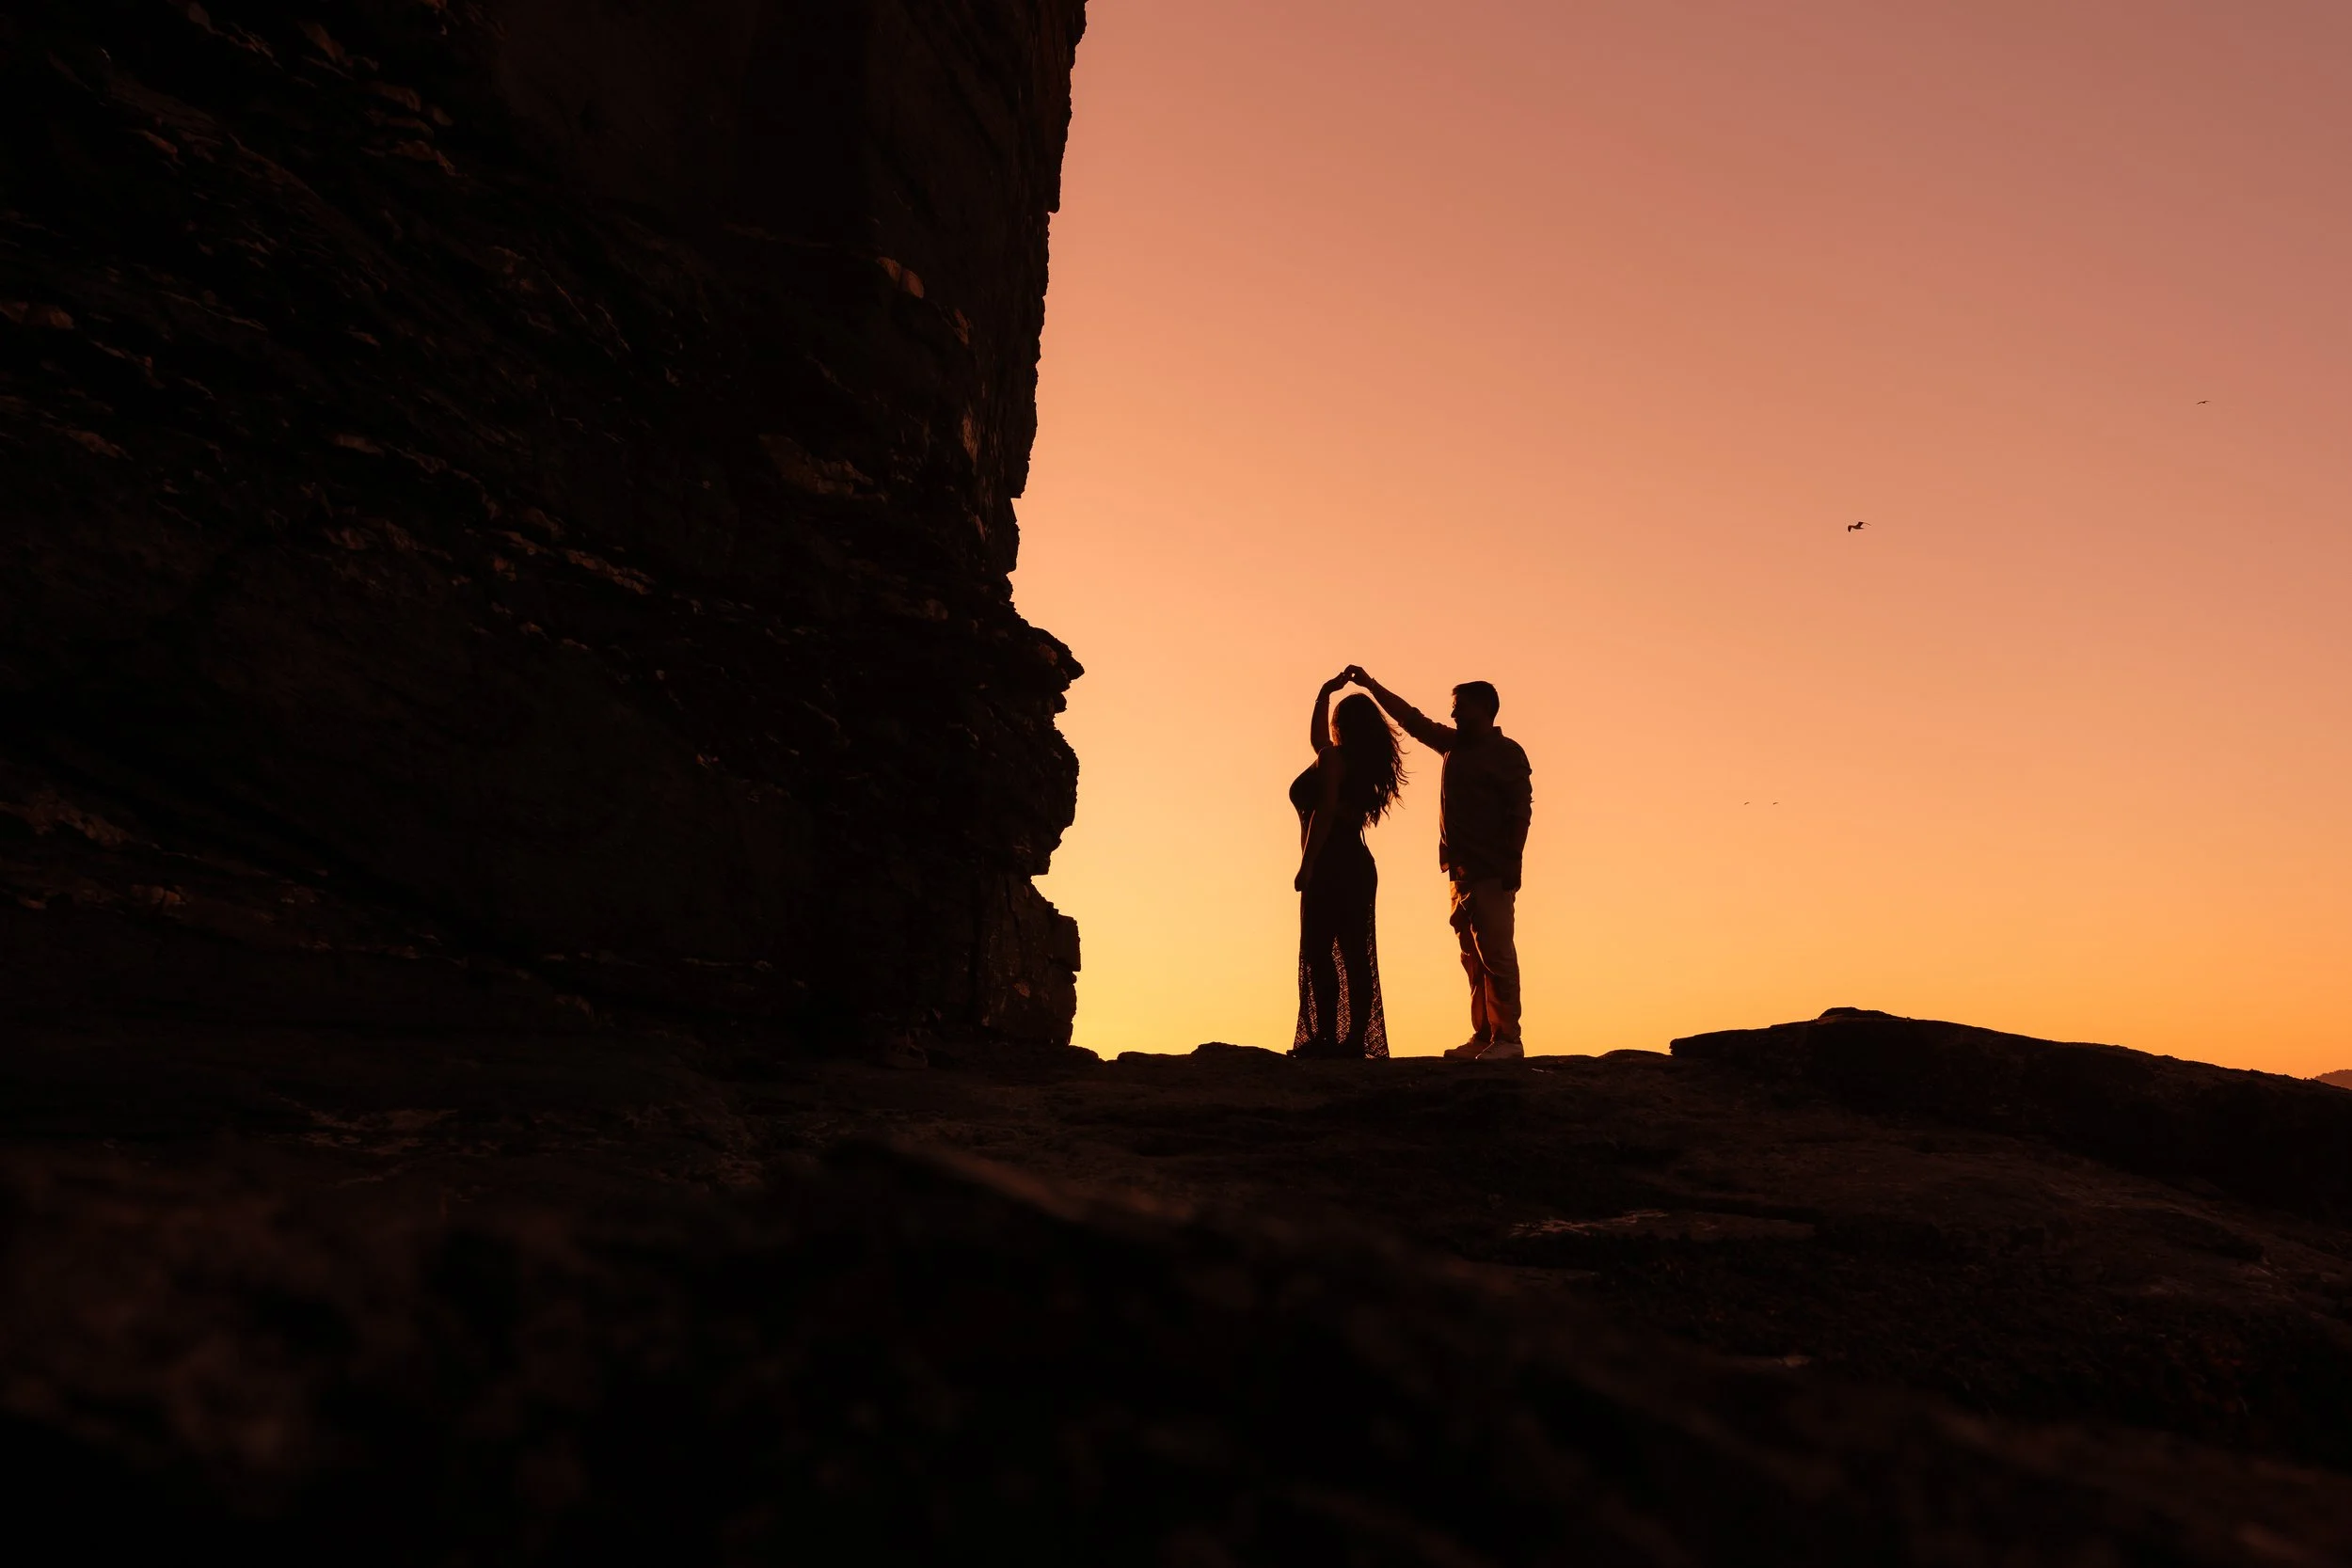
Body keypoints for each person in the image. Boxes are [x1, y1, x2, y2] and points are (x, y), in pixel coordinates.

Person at [1345, 668, 1533, 1060]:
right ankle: (1483, 1035)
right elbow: (1411, 719)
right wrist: (1371, 684)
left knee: (1496, 953)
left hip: (1491, 869)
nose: (1453, 715)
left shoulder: (1507, 753)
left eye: (1459, 707)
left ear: (1483, 708)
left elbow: (1520, 811)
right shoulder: (1452, 745)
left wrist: (1514, 862)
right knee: (1472, 957)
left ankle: (1508, 1039)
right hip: (1460, 871)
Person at [1290, 672, 1405, 1058]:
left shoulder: (1334, 760)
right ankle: (1350, 1039)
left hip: (1330, 862)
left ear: (1343, 727)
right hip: (1356, 864)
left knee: (1321, 951)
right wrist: (1324, 694)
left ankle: (1329, 1037)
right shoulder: (1347, 761)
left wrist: (1307, 866)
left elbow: (1323, 815)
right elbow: (1318, 741)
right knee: (1354, 953)